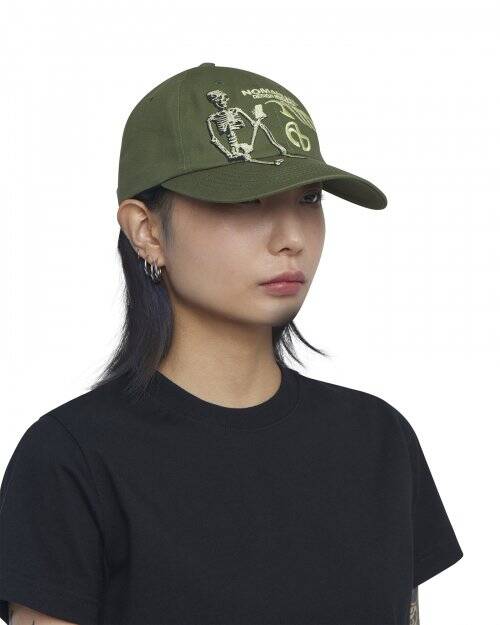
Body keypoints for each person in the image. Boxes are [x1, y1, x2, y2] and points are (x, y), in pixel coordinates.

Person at [0, 62, 463, 625]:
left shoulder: (378, 440)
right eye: (246, 201)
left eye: (309, 200)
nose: (291, 239)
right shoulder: (71, 459)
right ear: (147, 231)